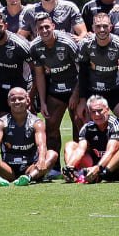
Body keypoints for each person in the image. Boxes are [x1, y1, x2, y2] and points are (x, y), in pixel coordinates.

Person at [29, 11, 82, 154]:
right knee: (51, 126)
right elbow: (39, 75)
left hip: (75, 87)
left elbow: (83, 70)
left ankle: (77, 162)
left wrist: (76, 94)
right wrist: (42, 102)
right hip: (55, 90)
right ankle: (54, 164)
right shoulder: (35, 47)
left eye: (47, 26)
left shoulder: (67, 43)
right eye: (40, 28)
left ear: (53, 26)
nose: (44, 30)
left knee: (79, 123)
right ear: (36, 30)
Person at [0, 87, 56, 186]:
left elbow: (41, 145)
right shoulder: (1, 122)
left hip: (30, 167)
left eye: (20, 99)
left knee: (52, 154)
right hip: (8, 168)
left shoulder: (37, 123)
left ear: (28, 100)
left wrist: (41, 159)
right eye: (13, 99)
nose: (17, 102)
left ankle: (28, 178)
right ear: (8, 102)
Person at [62, 95, 119, 183]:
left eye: (100, 110)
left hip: (116, 167)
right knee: (70, 145)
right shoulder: (87, 128)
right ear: (89, 113)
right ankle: (73, 174)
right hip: (97, 165)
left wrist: (99, 168)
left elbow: (111, 151)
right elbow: (80, 150)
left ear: (107, 109)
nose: (97, 114)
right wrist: (69, 167)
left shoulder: (116, 124)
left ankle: (102, 174)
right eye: (93, 111)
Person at [77, 12, 119, 121]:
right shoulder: (85, 44)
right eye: (98, 26)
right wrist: (82, 99)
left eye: (105, 26)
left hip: (114, 90)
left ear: (111, 27)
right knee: (83, 118)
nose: (102, 29)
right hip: (93, 91)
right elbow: (82, 73)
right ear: (93, 28)